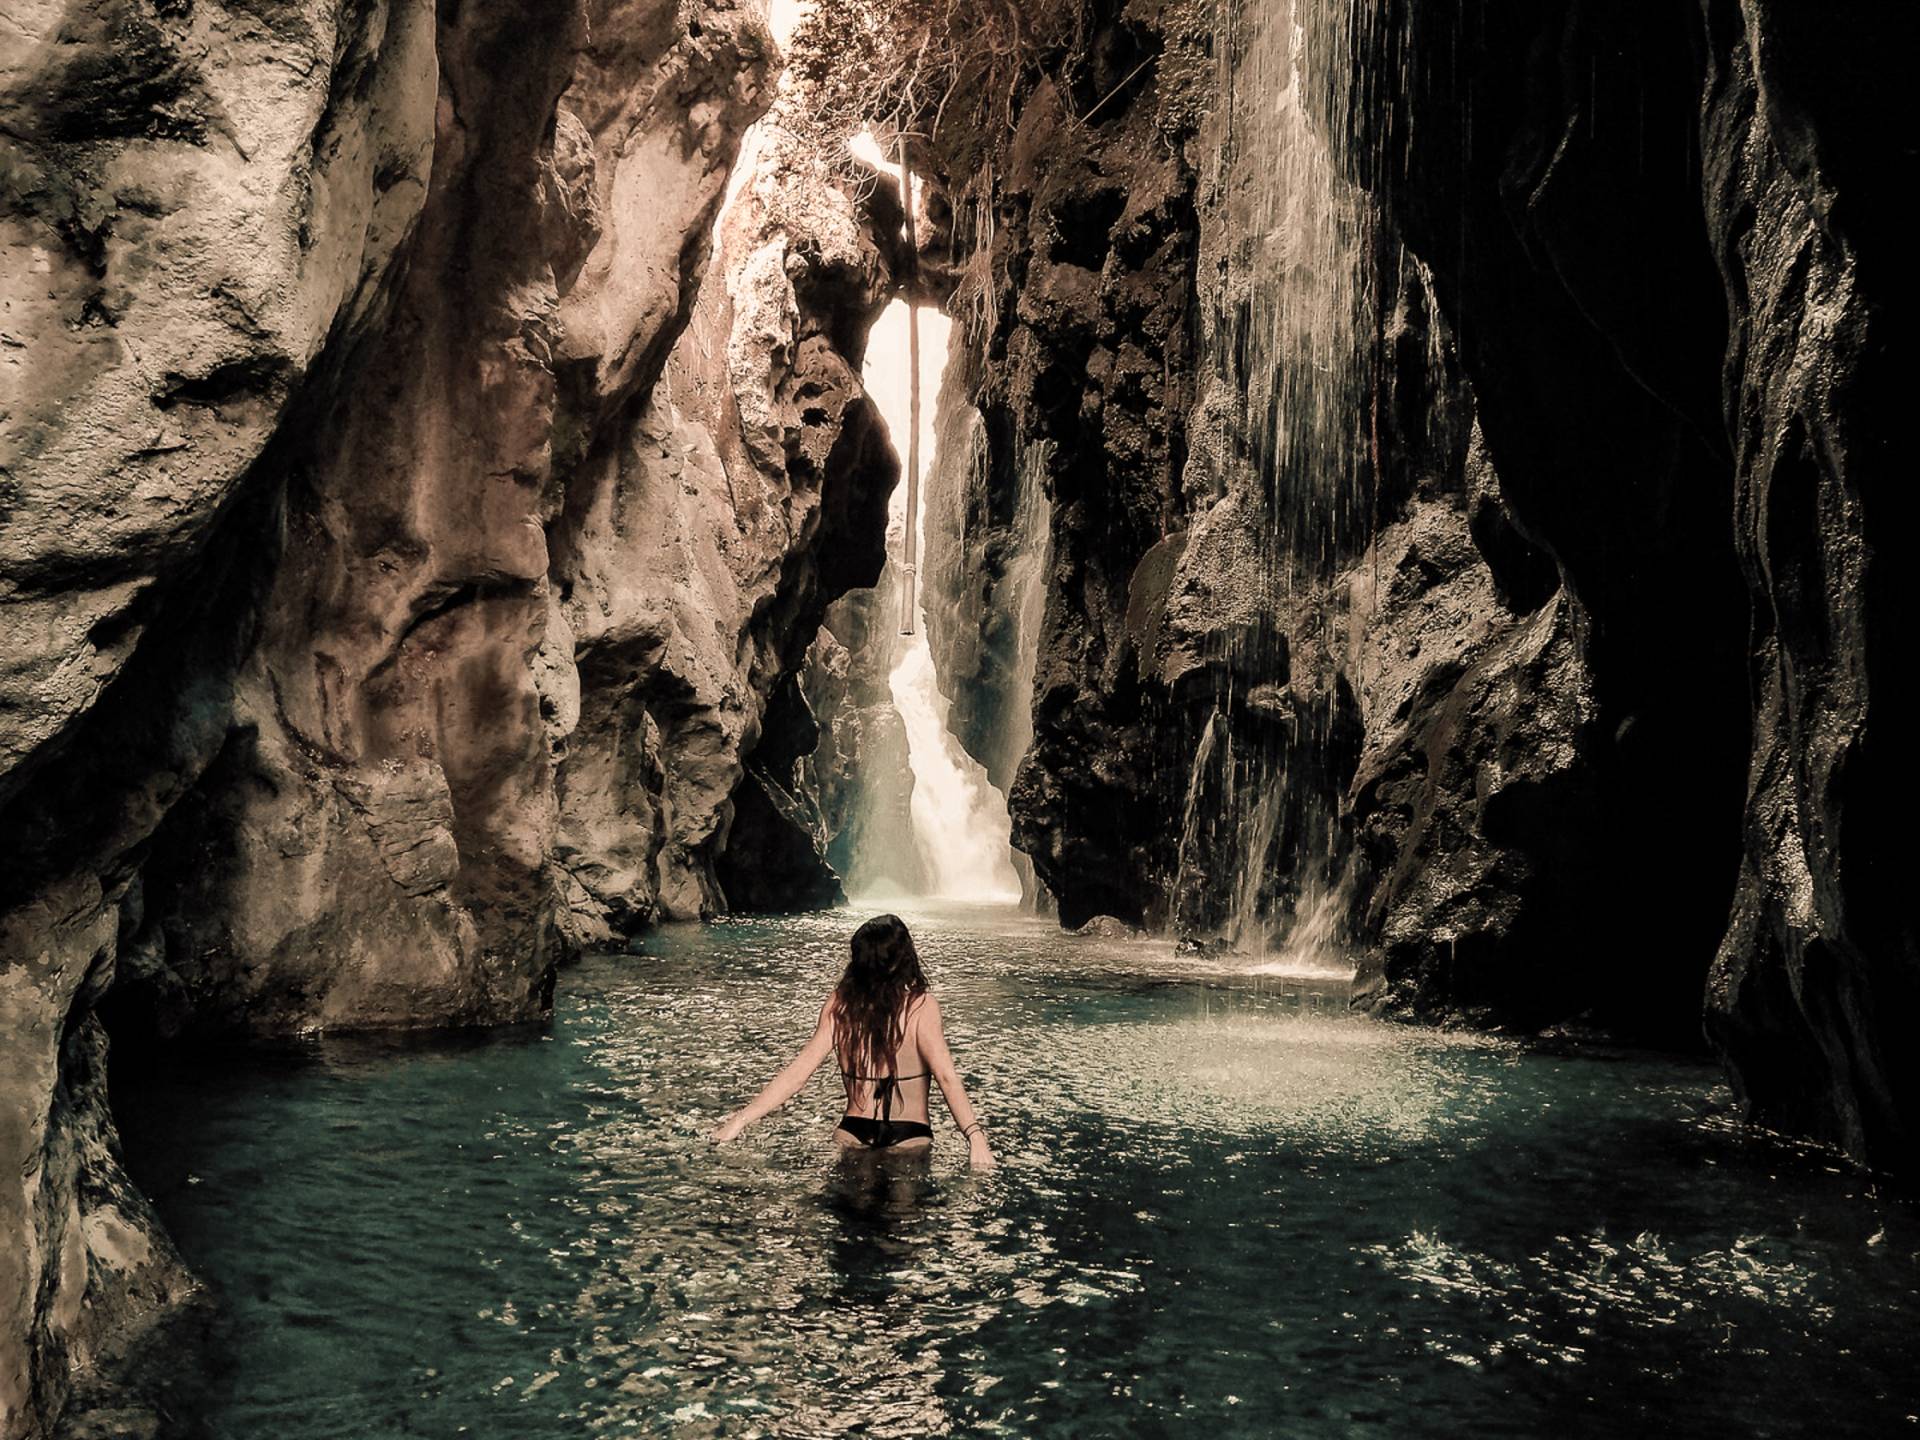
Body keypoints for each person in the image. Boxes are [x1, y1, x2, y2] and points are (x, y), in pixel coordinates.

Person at [709, 914, 995, 1168]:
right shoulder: (921, 1006)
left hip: (853, 1132)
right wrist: (975, 1136)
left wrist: (740, 1120)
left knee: (847, 1209)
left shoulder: (841, 1005)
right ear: (903, 959)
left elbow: (797, 1075)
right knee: (906, 1211)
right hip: (910, 1135)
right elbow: (946, 1077)